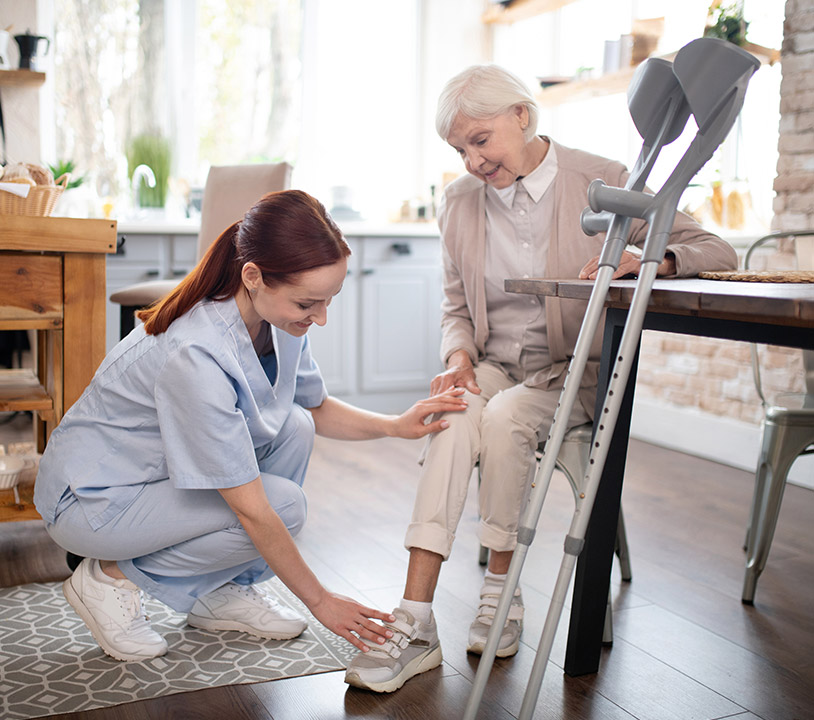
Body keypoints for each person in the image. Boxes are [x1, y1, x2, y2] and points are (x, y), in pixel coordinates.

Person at [344, 64, 737, 693]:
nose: (472, 161)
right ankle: (414, 621)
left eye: (481, 140)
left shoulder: (604, 180)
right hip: (497, 367)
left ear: (523, 116)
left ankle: (500, 595)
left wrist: (654, 257)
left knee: (501, 420)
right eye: (458, 149)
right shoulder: (459, 202)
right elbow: (455, 308)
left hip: (572, 372)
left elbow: (716, 250)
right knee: (452, 415)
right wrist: (457, 360)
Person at [34, 189, 467, 663]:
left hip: (154, 479)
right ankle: (108, 577)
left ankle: (221, 590)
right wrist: (321, 600)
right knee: (284, 506)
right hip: (96, 498)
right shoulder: (196, 351)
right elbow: (254, 512)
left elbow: (314, 406)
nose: (320, 318)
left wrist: (395, 425)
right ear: (254, 277)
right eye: (308, 303)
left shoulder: (275, 319)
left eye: (329, 301)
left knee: (296, 426)